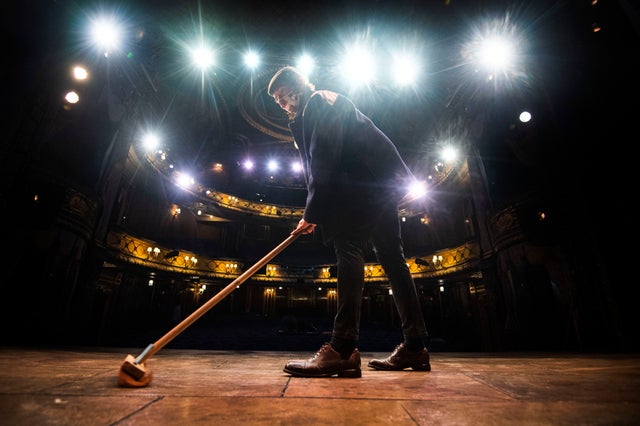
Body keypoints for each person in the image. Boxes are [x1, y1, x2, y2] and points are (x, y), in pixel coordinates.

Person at [267, 66, 431, 378]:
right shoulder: (312, 109)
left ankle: (342, 348)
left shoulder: (318, 101)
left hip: (360, 185)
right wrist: (314, 211)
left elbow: (324, 157)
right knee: (392, 258)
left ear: (297, 87)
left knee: (349, 248)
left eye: (283, 95)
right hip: (376, 185)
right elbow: (321, 161)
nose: (282, 103)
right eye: (277, 100)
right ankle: (415, 346)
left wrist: (312, 213)